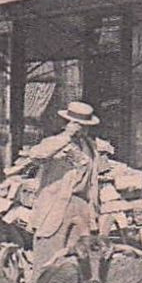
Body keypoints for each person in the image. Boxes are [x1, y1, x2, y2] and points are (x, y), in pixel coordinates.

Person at [29, 101, 106, 271]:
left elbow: (92, 182)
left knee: (77, 257)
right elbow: (36, 155)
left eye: (85, 126)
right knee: (49, 254)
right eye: (78, 125)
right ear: (69, 123)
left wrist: (93, 213)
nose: (82, 129)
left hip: (81, 206)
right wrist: (66, 136)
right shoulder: (55, 142)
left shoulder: (90, 147)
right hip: (56, 205)